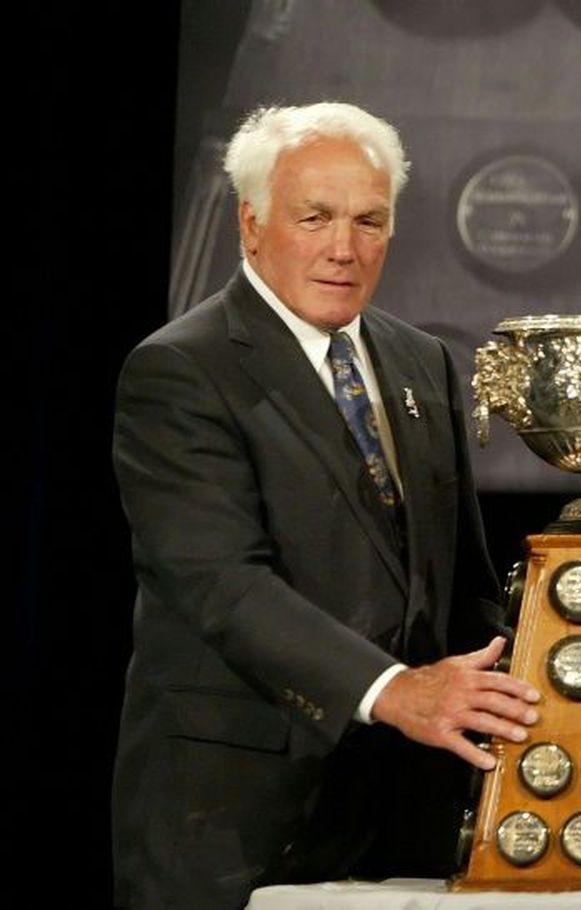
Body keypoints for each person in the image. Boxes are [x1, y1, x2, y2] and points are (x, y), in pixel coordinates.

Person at [111, 102, 541, 910]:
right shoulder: (180, 372)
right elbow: (225, 588)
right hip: (238, 820)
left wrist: (561, 678)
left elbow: (460, 585)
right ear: (251, 223)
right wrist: (395, 691)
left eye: (369, 220)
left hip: (407, 816)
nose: (345, 248)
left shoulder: (423, 363)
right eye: (315, 218)